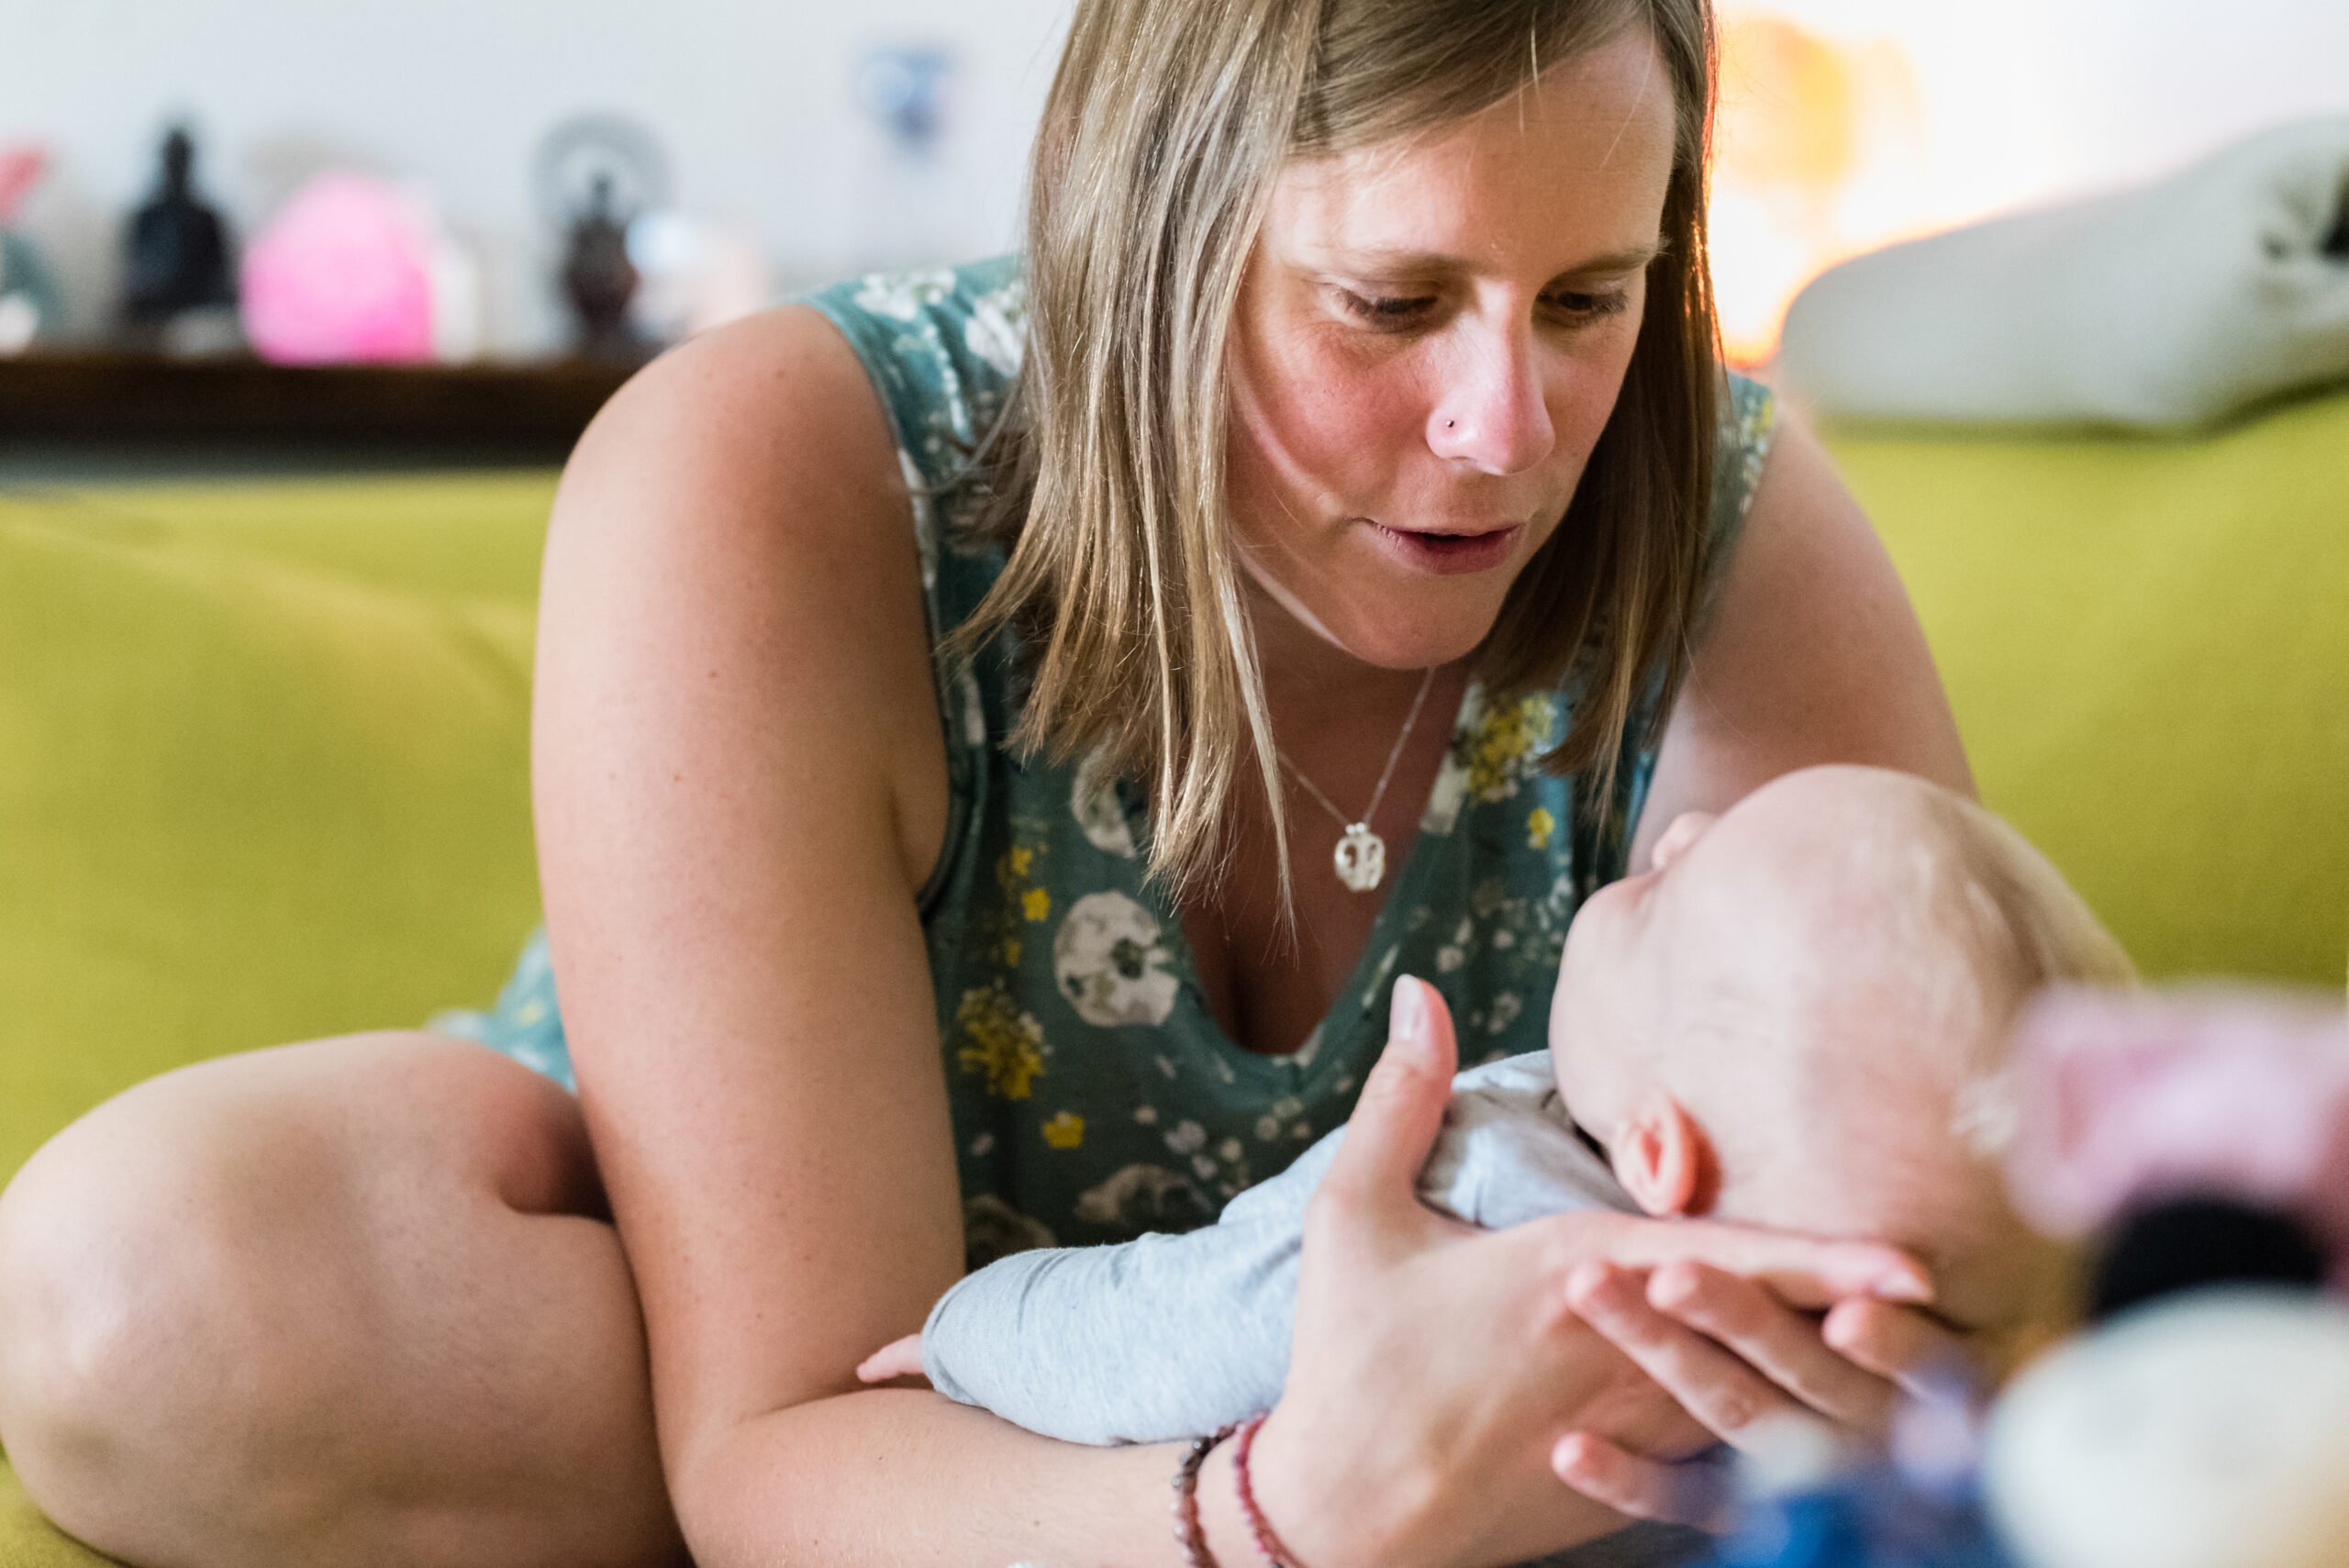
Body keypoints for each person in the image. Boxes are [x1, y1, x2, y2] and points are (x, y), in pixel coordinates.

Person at [0, 3, 1978, 1567]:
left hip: (1436, 1406)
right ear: (1148, 238)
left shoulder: (1708, 512)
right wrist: (1289, 1515)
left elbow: (1951, 1238)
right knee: (134, 1294)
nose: (1501, 430)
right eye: (1387, 303)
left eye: (1584, 298)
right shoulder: (781, 470)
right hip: (785, 1338)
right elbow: (774, 1431)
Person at [858, 767, 2125, 1448]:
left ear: (1656, 1152)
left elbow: (1165, 1328)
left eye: (1676, 890)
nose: (1674, 832)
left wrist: (973, 1330)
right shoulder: (1920, 1402)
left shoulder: (1472, 1192)